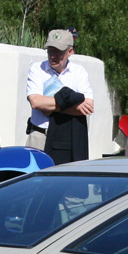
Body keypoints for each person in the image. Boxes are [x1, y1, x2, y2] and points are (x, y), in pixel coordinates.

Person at [25, 29, 95, 165]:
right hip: (40, 136)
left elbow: (87, 107)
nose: (53, 56)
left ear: (70, 52)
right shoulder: (37, 69)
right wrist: (72, 103)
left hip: (66, 141)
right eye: (51, 50)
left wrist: (51, 107)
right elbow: (36, 102)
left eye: (59, 51)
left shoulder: (78, 72)